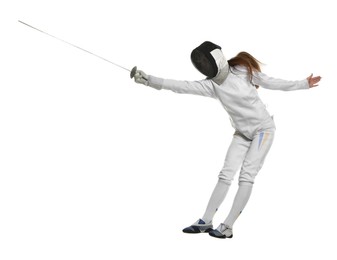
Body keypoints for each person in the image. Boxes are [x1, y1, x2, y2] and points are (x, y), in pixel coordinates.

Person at [132, 41, 321, 239]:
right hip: (241, 133)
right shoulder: (211, 85)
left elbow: (272, 82)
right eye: (200, 62)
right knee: (225, 175)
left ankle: (228, 226)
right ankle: (206, 221)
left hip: (263, 131)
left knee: (246, 176)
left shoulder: (242, 70)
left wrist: (303, 84)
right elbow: (181, 86)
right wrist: (148, 80)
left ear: (217, 59)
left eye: (206, 60)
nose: (203, 65)